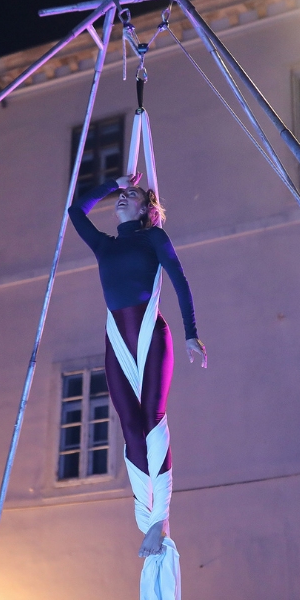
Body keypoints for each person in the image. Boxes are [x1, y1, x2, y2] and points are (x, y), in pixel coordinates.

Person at [67, 171, 207, 559]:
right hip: (117, 340)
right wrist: (113, 184)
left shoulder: (153, 239)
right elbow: (75, 211)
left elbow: (179, 280)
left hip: (151, 335)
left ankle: (159, 520)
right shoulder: (104, 245)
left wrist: (191, 333)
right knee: (129, 426)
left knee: (152, 420)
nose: (123, 199)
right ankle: (147, 518)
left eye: (132, 195)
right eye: (121, 196)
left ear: (146, 209)